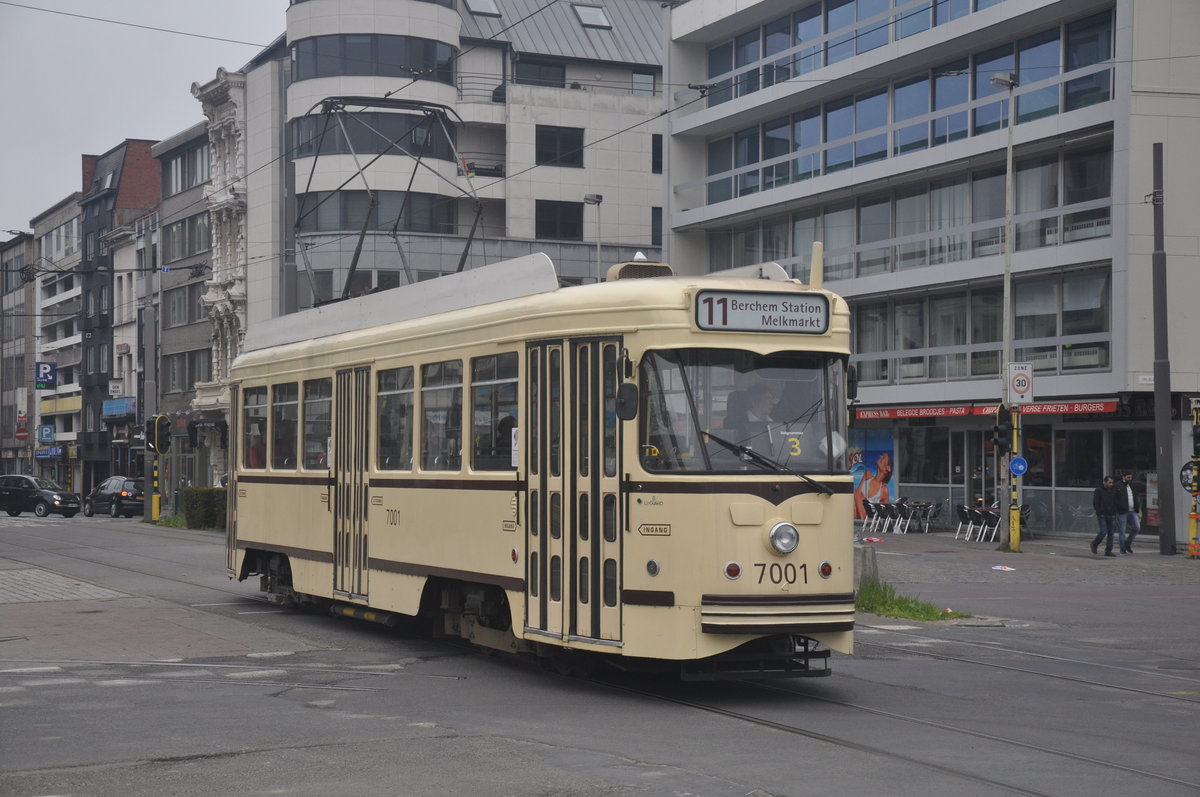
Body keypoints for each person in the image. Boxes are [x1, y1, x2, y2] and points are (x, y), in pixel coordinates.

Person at [1090, 475, 1127, 557]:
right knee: (1103, 531)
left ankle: (1108, 550)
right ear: (1105, 482)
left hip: (1112, 514)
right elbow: (1096, 502)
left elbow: (1118, 499)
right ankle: (1094, 544)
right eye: (1109, 482)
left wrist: (1116, 510)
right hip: (1103, 515)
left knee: (1111, 533)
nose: (1111, 484)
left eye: (1112, 483)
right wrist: (1099, 512)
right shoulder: (1099, 490)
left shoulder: (1114, 490)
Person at [853, 451, 892, 520]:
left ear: (886, 470)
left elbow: (886, 511)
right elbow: (858, 495)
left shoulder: (884, 489)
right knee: (854, 492)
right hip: (859, 513)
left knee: (855, 493)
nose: (880, 457)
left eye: (883, 457)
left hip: (869, 516)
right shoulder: (867, 474)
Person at [1117, 473, 1140, 553]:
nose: (1130, 478)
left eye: (1131, 477)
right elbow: (1115, 498)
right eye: (1128, 477)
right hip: (1123, 511)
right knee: (1122, 531)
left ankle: (1127, 543)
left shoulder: (1132, 485)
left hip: (1132, 510)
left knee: (1136, 528)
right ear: (1123, 477)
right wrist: (1119, 507)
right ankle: (1122, 549)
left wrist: (1138, 509)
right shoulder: (1118, 485)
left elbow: (1135, 496)